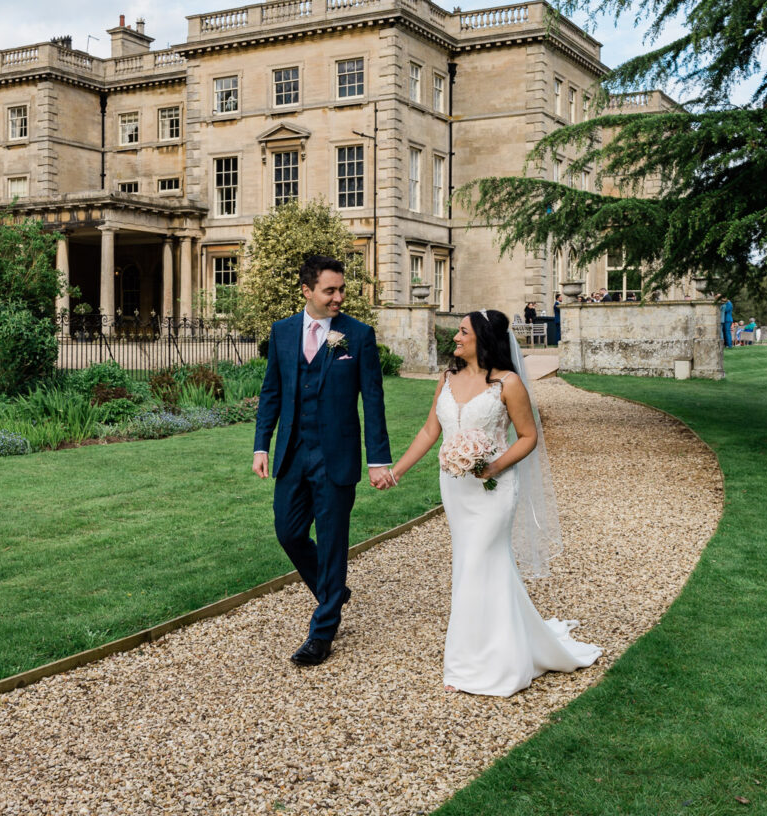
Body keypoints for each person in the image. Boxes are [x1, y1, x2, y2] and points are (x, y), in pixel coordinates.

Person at [388, 310, 600, 695]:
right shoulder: (447, 378)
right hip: (455, 488)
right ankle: (478, 655)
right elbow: (429, 430)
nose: (455, 336)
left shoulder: (508, 382)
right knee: (469, 563)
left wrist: (493, 467)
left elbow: (527, 436)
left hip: (494, 488)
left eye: (463, 331)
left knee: (478, 562)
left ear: (482, 338)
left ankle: (481, 664)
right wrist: (397, 471)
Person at [253, 255, 393, 667]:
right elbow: (271, 393)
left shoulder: (356, 335)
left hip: (337, 454)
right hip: (293, 453)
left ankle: (322, 631)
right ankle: (334, 591)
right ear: (307, 291)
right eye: (330, 290)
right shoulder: (282, 333)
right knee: (289, 532)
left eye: (341, 290)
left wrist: (378, 459)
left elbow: (373, 399)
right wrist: (262, 446)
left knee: (332, 545)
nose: (338, 298)